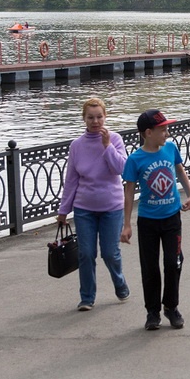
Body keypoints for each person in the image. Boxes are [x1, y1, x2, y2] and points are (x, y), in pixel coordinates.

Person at [122, 109, 190, 331]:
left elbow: (180, 171)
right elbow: (128, 193)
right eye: (162, 129)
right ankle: (152, 312)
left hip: (172, 217)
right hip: (148, 221)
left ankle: (171, 307)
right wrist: (126, 225)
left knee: (173, 263)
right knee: (150, 267)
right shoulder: (135, 159)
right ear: (148, 133)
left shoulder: (170, 149)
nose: (167, 133)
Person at [56, 97, 131, 312]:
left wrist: (107, 146)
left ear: (105, 117)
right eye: (90, 117)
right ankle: (87, 297)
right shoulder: (77, 146)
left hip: (111, 207)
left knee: (110, 253)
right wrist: (64, 210)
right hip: (84, 208)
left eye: (99, 117)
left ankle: (120, 282)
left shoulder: (114, 139)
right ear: (84, 119)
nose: (95, 121)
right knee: (86, 253)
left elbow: (121, 169)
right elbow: (71, 180)